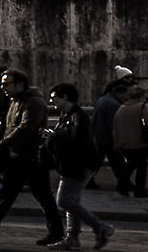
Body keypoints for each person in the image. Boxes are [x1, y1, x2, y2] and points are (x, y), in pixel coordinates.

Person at [0, 69, 63, 243]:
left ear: (20, 85)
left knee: (42, 196)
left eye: (6, 84)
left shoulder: (34, 102)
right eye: (2, 83)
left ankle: (57, 232)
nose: (2, 87)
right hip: (18, 156)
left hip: (31, 158)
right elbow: (14, 126)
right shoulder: (16, 101)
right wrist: (2, 127)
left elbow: (25, 128)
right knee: (7, 195)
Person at [46, 83, 113, 251]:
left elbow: (77, 140)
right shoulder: (68, 114)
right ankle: (72, 238)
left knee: (64, 200)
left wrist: (55, 136)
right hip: (71, 165)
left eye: (54, 98)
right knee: (72, 201)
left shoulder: (78, 116)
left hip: (78, 166)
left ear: (65, 97)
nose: (51, 101)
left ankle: (100, 227)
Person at [90, 67, 132, 192]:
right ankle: (124, 183)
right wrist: (118, 140)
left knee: (98, 162)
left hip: (99, 136)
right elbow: (114, 124)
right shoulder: (113, 104)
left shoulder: (104, 99)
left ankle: (89, 181)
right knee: (117, 162)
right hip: (108, 138)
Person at [110, 83, 148, 198]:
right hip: (140, 141)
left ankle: (122, 185)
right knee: (141, 167)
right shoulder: (142, 106)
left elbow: (115, 126)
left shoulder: (122, 108)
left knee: (130, 165)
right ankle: (139, 190)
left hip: (125, 143)